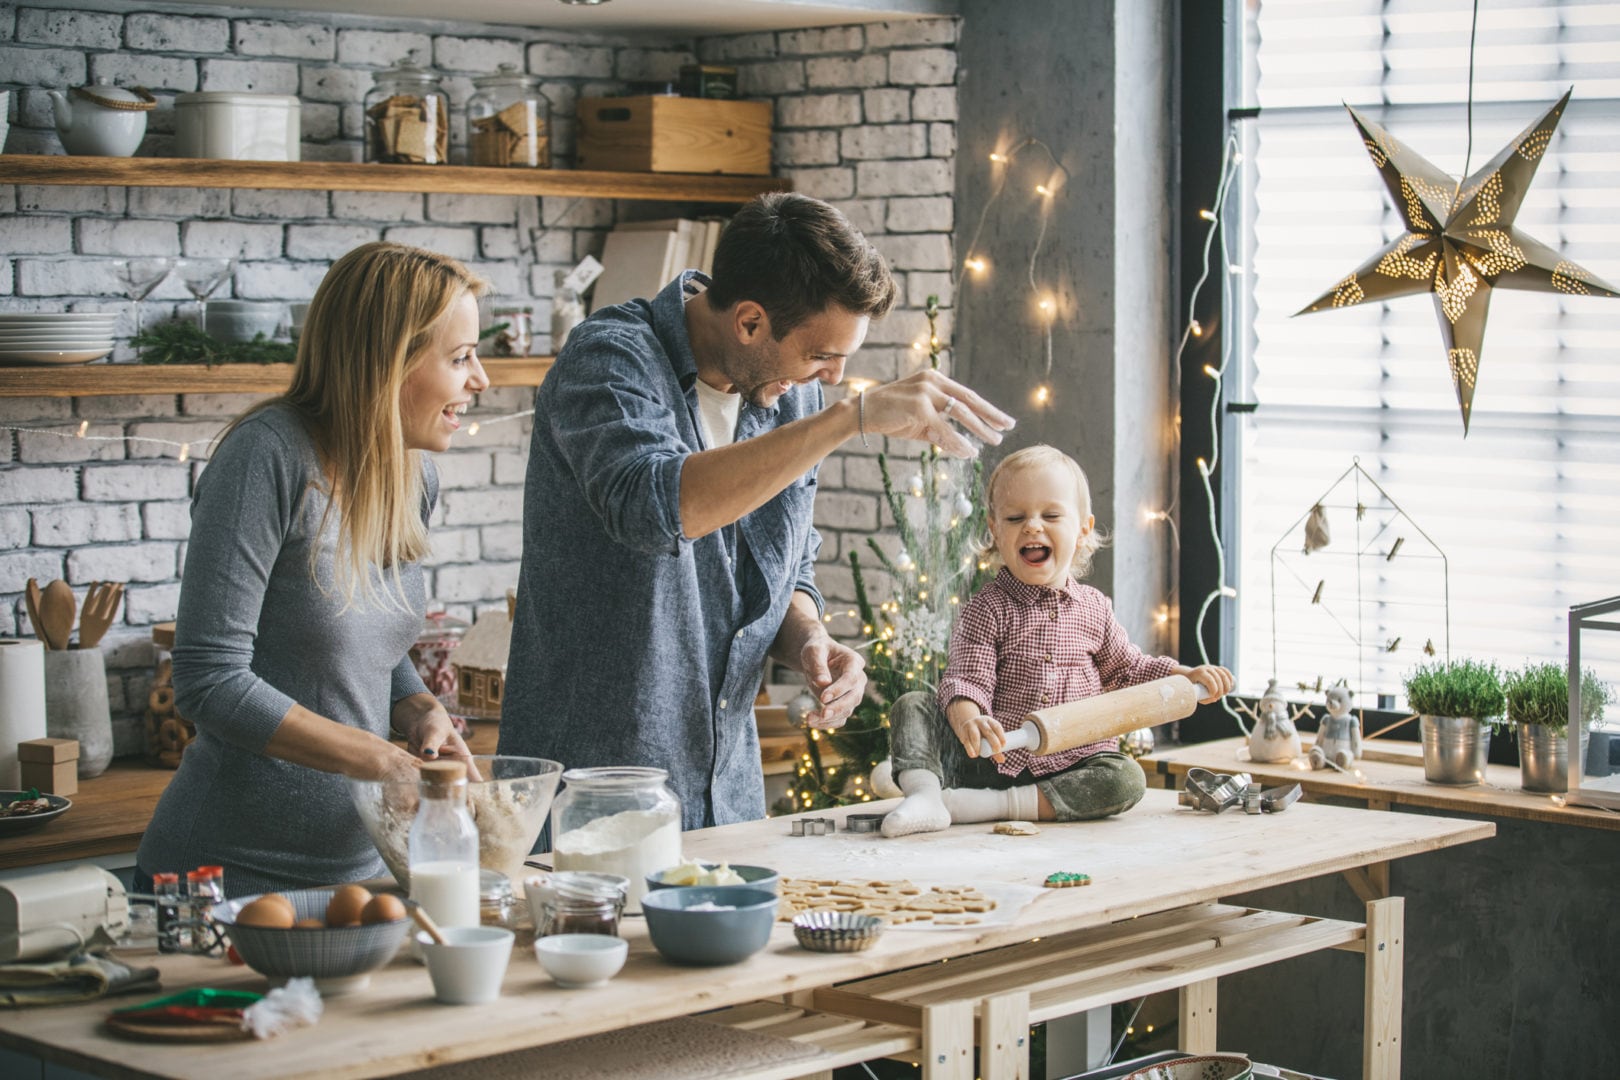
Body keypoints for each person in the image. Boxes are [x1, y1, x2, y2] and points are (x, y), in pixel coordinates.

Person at [499, 192, 1015, 829]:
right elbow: (655, 508)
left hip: (728, 794)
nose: (832, 377)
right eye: (822, 355)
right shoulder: (610, 359)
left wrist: (810, 641)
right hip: (599, 791)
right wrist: (847, 420)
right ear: (748, 322)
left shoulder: (788, 398)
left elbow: (787, 568)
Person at [137, 242, 485, 897]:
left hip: (365, 871)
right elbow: (209, 682)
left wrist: (418, 711)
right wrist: (383, 759)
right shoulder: (265, 458)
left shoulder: (412, 474)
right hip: (228, 875)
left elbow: (372, 647)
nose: (480, 380)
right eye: (461, 357)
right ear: (390, 362)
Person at [881, 445, 1234, 837]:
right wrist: (971, 720)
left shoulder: (1095, 608)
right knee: (912, 705)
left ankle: (991, 806)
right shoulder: (986, 608)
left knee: (1125, 779)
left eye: (1050, 515)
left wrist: (1184, 675)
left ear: (1083, 527)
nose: (1032, 526)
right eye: (1015, 518)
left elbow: (1128, 670)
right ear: (995, 529)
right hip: (993, 757)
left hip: (1073, 763)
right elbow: (965, 681)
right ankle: (926, 797)